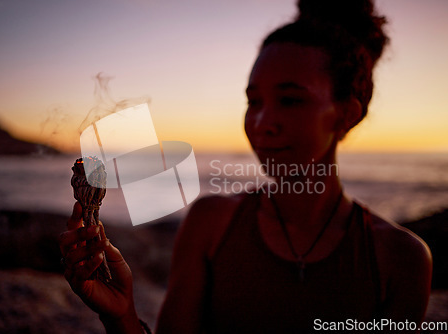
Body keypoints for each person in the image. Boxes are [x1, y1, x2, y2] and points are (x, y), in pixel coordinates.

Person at [59, 0, 432, 332]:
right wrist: (121, 316)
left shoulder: (399, 258)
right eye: (254, 101)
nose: (261, 122)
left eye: (290, 100)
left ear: (346, 115)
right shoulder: (211, 224)